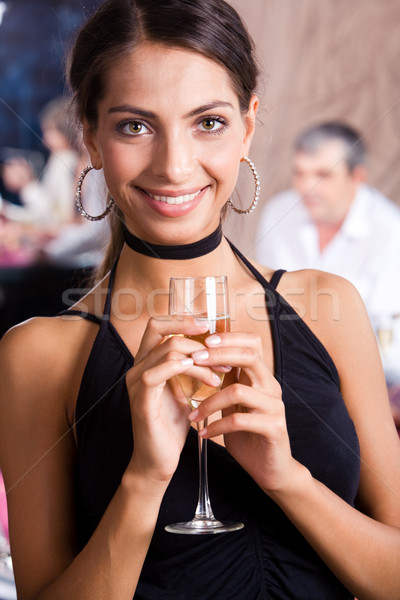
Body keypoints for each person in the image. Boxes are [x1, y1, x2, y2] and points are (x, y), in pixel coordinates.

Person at [1, 1, 400, 599]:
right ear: (90, 136)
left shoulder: (326, 305)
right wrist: (145, 477)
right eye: (134, 126)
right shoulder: (38, 355)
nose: (174, 166)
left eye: (207, 122)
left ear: (247, 125)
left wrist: (286, 478)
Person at [255, 122, 400, 383]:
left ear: (357, 176)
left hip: (367, 378)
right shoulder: (278, 212)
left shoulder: (391, 232)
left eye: (323, 175)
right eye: (300, 173)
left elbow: (390, 348)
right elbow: (264, 303)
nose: (307, 187)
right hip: (285, 370)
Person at [1, 96, 79, 228]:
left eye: (49, 130)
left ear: (65, 130)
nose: (45, 138)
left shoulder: (66, 160)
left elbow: (55, 216)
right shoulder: (59, 159)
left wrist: (27, 185)